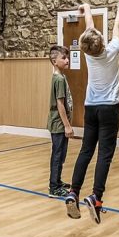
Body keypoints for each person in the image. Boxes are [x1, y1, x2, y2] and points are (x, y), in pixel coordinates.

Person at [65, 3, 119, 224]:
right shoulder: (112, 50)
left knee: (86, 151)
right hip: (109, 109)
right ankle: (96, 197)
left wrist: (86, 8)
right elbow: (117, 27)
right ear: (101, 42)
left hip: (91, 108)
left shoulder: (88, 55)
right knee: (104, 154)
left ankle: (73, 191)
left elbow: (90, 27)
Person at [47, 45, 74, 198]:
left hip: (60, 123)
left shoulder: (60, 75)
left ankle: (57, 181)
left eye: (67, 57)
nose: (67, 60)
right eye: (63, 58)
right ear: (54, 61)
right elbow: (60, 104)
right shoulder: (58, 79)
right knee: (57, 155)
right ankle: (53, 187)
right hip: (58, 124)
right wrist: (67, 126)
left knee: (61, 154)